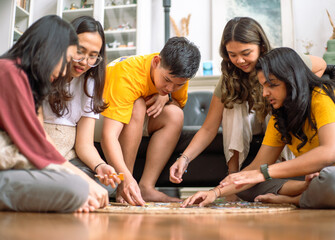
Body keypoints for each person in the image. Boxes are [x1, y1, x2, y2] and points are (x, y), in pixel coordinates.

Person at [182, 47, 335, 209]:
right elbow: (257, 166)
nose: (265, 93)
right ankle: (306, 190)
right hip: (313, 178)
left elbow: (331, 153)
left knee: (334, 181)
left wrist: (263, 173)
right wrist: (214, 193)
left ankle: (293, 200)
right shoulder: (281, 113)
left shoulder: (323, 96)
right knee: (245, 184)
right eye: (263, 86)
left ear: (292, 80)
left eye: (271, 85)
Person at [169, 17, 326, 200]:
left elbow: (321, 65)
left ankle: (290, 187)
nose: (240, 60)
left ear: (261, 47)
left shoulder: (281, 64)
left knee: (247, 183)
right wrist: (184, 158)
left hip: (277, 133)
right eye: (232, 55)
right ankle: (238, 175)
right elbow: (209, 128)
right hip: (252, 147)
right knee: (242, 184)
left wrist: (297, 98)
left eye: (246, 53)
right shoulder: (229, 78)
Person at [0, 15, 108, 213]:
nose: (62, 71)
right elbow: (35, 143)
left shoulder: (22, 77)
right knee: (75, 189)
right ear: (50, 51)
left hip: (24, 163)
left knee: (80, 186)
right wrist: (81, 181)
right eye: (66, 59)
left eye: (92, 55)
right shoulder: (9, 73)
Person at [101, 36, 201, 205]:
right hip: (98, 116)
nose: (171, 88)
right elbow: (108, 136)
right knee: (138, 104)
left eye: (178, 85)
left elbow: (176, 102)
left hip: (133, 118)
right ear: (156, 62)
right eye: (167, 80)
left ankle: (146, 187)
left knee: (175, 114)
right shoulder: (127, 73)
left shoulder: (178, 76)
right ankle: (124, 188)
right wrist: (125, 178)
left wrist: (165, 96)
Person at [41, 16, 119, 195]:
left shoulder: (89, 82)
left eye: (93, 56)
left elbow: (84, 144)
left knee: (108, 186)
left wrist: (100, 166)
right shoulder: (44, 74)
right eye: (80, 51)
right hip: (42, 152)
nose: (84, 62)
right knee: (74, 185)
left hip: (69, 156)